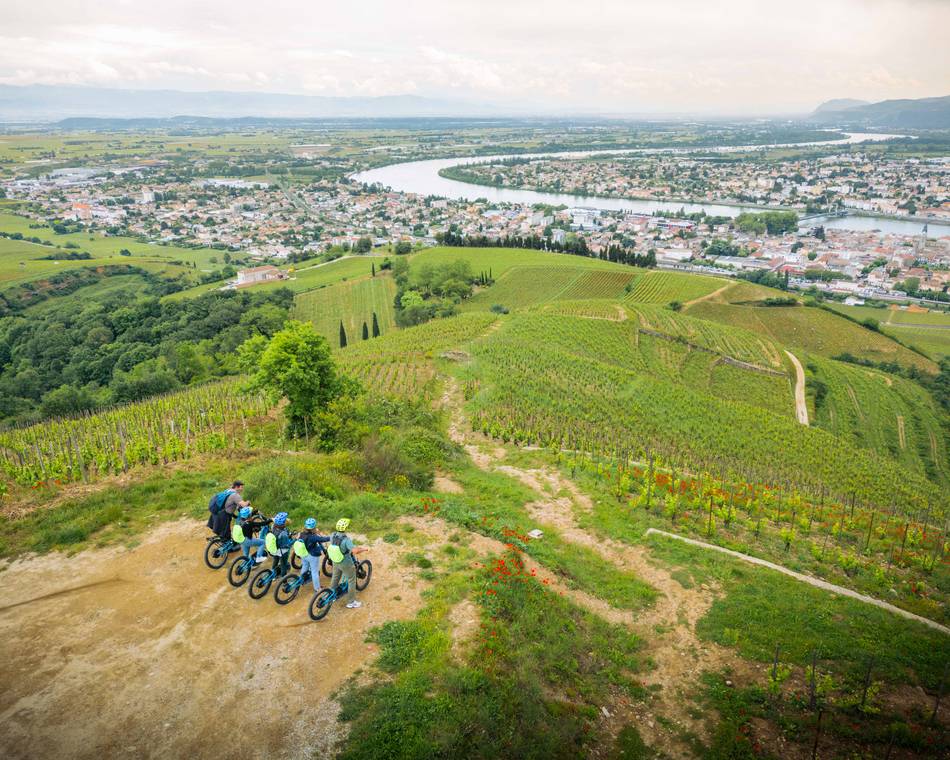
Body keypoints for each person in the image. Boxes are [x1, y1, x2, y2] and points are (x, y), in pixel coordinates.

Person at [326, 518, 367, 609]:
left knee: (335, 577)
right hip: (345, 562)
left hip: (335, 560)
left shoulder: (333, 535)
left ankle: (332, 595)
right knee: (352, 580)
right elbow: (355, 551)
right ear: (346, 528)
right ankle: (351, 602)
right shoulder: (346, 540)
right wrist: (364, 549)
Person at [293, 518, 330, 592]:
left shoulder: (302, 533)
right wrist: (332, 537)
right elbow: (324, 539)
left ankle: (302, 580)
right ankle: (317, 588)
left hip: (304, 553)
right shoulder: (313, 537)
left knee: (305, 566)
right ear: (313, 527)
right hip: (312, 556)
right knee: (315, 572)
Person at [264, 512, 293, 577]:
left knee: (276, 560)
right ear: (283, 523)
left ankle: (273, 575)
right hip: (282, 551)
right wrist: (294, 540)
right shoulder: (283, 534)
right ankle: (284, 582)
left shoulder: (273, 526)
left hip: (274, 549)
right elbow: (287, 545)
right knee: (283, 565)